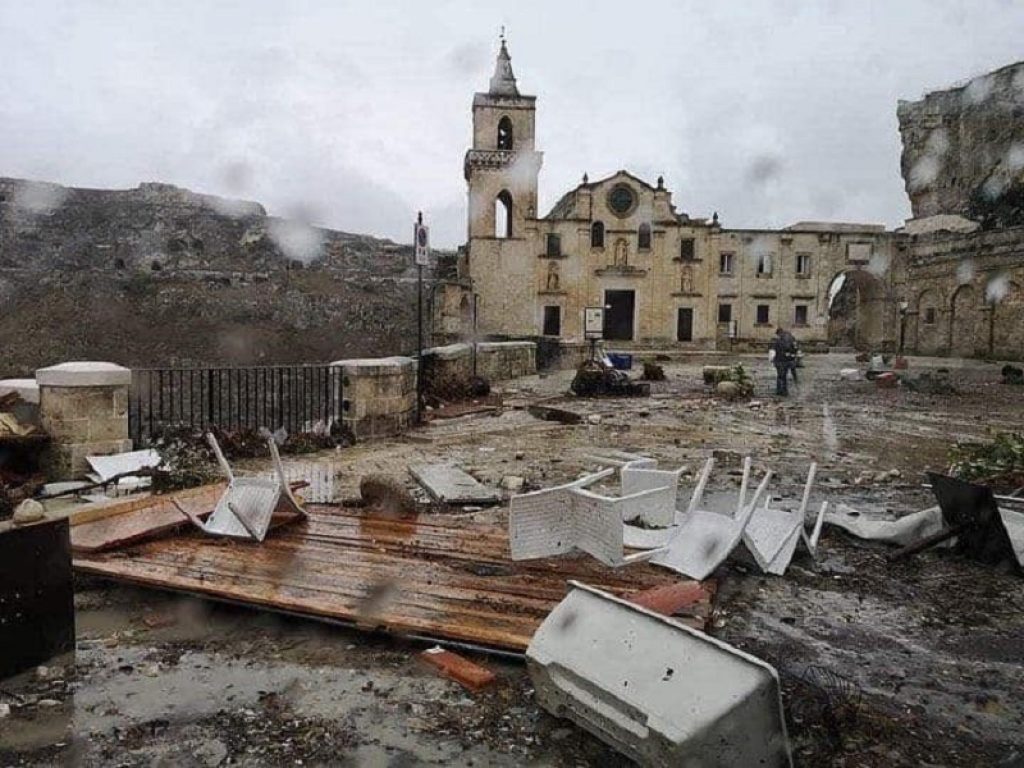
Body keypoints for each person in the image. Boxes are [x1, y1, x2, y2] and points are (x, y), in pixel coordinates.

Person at [770, 327, 797, 396]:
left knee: (780, 376)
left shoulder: (779, 340)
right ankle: (784, 390)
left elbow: (773, 350)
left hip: (780, 360)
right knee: (784, 376)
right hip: (787, 360)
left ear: (779, 333)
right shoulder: (790, 338)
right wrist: (792, 357)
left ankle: (780, 390)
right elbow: (794, 348)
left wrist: (772, 359)